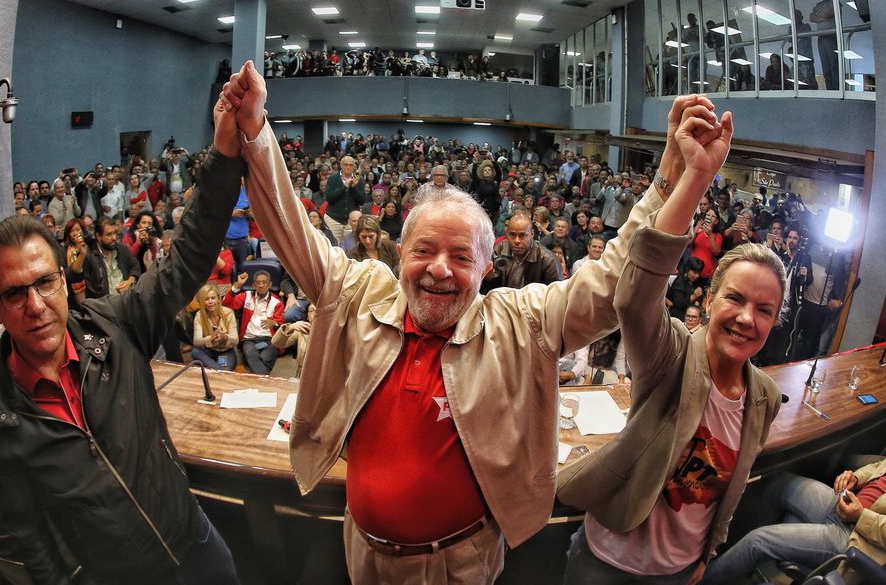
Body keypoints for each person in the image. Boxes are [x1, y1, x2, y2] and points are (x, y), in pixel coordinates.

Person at [222, 62, 702, 584]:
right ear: (399, 252)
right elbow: (289, 223)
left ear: (487, 267)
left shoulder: (523, 323)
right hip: (361, 549)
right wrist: (255, 129)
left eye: (461, 256)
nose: (439, 269)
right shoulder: (358, 293)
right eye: (423, 250)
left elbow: (614, 283)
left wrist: (672, 181)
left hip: (459, 562)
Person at [0, 81, 248, 583]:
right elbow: (22, 554)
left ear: (64, 282)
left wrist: (223, 152)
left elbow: (189, 254)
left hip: (194, 541)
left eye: (45, 283)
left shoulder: (116, 323)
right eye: (14, 294)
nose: (35, 305)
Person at [559, 103, 785, 585]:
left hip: (679, 572)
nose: (747, 318)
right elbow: (637, 296)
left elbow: (734, 485)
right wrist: (696, 179)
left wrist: (707, 555)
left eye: (764, 310)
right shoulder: (674, 354)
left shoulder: (763, 396)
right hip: (607, 563)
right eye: (736, 299)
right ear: (709, 299)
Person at [701, 459, 886, 583]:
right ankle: (733, 558)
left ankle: (698, 580)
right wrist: (856, 477)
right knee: (778, 482)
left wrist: (860, 516)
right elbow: (880, 465)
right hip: (845, 504)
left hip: (857, 536)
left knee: (758, 541)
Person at [223, 270, 284, 375]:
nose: (261, 285)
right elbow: (227, 304)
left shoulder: (276, 302)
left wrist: (274, 322)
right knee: (251, 354)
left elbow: (281, 324)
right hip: (249, 339)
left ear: (270, 284)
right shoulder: (246, 296)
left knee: (265, 357)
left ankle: (255, 374)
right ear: (253, 285)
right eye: (258, 283)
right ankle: (265, 379)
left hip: (270, 339)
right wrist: (237, 286)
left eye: (264, 282)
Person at [481, 212, 562, 291]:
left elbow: (555, 296)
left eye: (522, 235)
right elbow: (487, 288)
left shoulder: (548, 260)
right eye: (512, 235)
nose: (516, 240)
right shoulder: (500, 249)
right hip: (503, 301)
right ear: (507, 233)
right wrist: (488, 277)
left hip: (533, 304)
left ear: (532, 234)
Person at [191, 283, 238, 371]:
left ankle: (217, 370)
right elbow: (196, 341)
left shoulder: (229, 313)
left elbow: (235, 340)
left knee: (225, 368)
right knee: (195, 352)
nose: (210, 302)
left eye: (213, 298)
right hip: (208, 350)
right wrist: (210, 338)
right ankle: (219, 370)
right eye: (206, 299)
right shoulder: (199, 315)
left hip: (226, 352)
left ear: (218, 299)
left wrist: (225, 337)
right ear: (202, 302)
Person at [324, 156, 366, 241]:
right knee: (333, 246)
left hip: (351, 221)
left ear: (354, 166)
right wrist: (344, 187)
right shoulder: (332, 179)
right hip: (333, 219)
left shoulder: (359, 180)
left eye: (351, 165)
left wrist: (353, 188)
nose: (348, 167)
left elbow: (362, 201)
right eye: (345, 164)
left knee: (351, 247)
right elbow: (329, 198)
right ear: (341, 165)